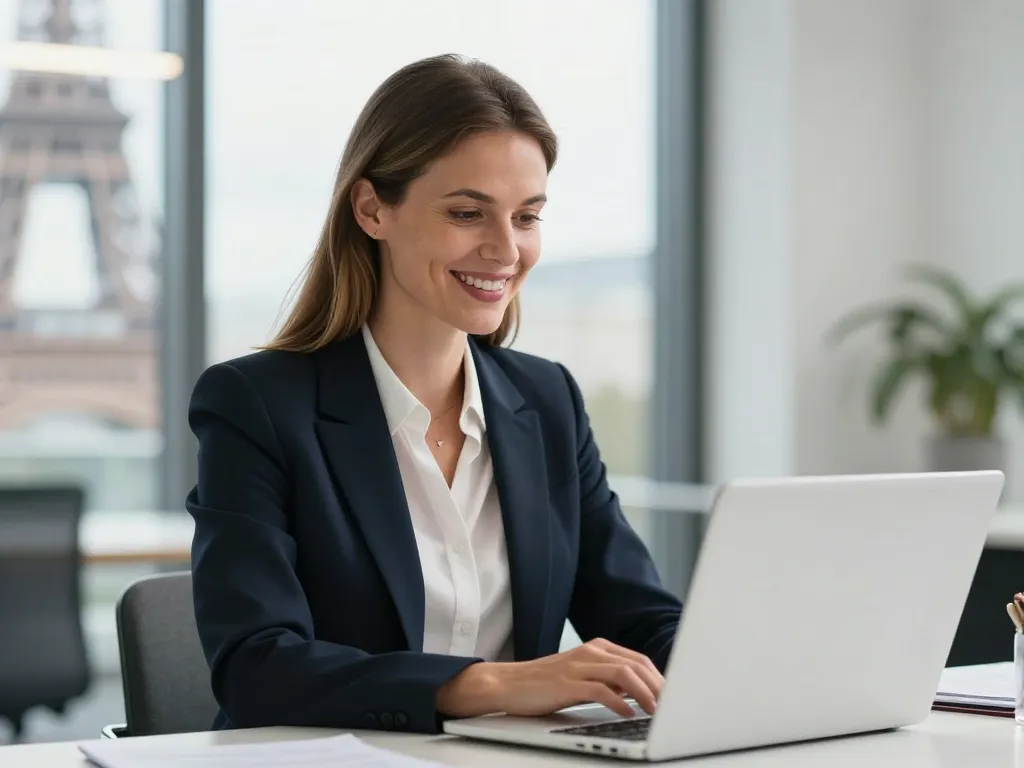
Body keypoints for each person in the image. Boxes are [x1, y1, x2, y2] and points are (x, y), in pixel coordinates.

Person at [187, 53, 682, 735]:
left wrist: (750, 671)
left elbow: (640, 618)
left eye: (527, 216)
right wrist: (490, 684)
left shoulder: (547, 400)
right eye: (466, 212)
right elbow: (257, 667)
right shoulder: (258, 406)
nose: (506, 249)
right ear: (372, 210)